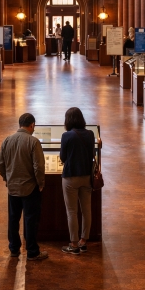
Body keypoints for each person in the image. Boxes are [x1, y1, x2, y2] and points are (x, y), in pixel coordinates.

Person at [0, 112, 48, 261]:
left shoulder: (7, 140)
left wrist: (7, 178)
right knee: (31, 219)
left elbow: (0, 164)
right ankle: (32, 251)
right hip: (30, 188)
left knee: (13, 218)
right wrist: (40, 183)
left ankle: (14, 248)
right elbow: (38, 166)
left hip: (13, 188)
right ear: (32, 125)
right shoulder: (33, 142)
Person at [59, 107, 95, 255]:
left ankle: (73, 244)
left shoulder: (66, 136)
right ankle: (83, 241)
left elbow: (62, 157)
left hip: (70, 177)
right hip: (87, 176)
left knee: (72, 211)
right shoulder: (90, 134)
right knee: (86, 210)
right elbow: (92, 153)